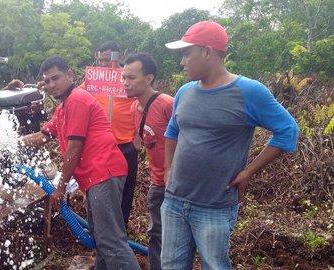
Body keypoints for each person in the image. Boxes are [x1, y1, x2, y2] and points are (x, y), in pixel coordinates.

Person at [162, 20, 300, 269]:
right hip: (174, 201)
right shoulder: (184, 92)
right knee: (171, 265)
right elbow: (172, 131)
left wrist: (248, 172)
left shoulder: (249, 91)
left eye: (186, 54)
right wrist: (168, 169)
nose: (182, 62)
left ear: (207, 51)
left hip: (214, 206)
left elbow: (287, 131)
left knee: (214, 265)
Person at [22, 56, 140, 269]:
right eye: (47, 81)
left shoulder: (78, 99)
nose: (51, 85)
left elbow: (74, 148)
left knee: (112, 242)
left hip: (104, 172)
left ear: (70, 75)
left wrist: (60, 187)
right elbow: (42, 136)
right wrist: (9, 143)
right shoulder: (63, 108)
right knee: (101, 239)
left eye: (56, 78)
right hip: (97, 177)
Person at [122, 53, 173, 270]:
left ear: (149, 78)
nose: (125, 83)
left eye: (131, 78)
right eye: (123, 77)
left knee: (175, 236)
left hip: (178, 185)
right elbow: (141, 140)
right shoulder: (135, 107)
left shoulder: (167, 105)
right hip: (157, 182)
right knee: (156, 233)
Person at [92, 41, 139, 227]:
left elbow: (144, 104)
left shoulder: (127, 79)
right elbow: (74, 92)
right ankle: (102, 226)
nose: (104, 64)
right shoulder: (95, 78)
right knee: (102, 185)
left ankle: (121, 226)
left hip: (126, 143)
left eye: (107, 59)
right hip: (101, 144)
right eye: (101, 60)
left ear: (117, 57)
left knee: (126, 186)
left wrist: (138, 136)